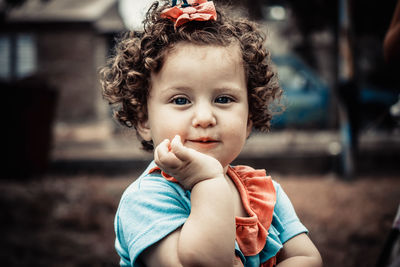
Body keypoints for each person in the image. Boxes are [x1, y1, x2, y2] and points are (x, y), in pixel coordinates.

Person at [100, 0, 323, 266]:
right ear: (144, 120)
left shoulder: (264, 192)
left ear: (249, 117)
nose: (205, 118)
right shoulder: (146, 200)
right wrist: (208, 181)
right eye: (181, 100)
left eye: (224, 99)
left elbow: (308, 258)